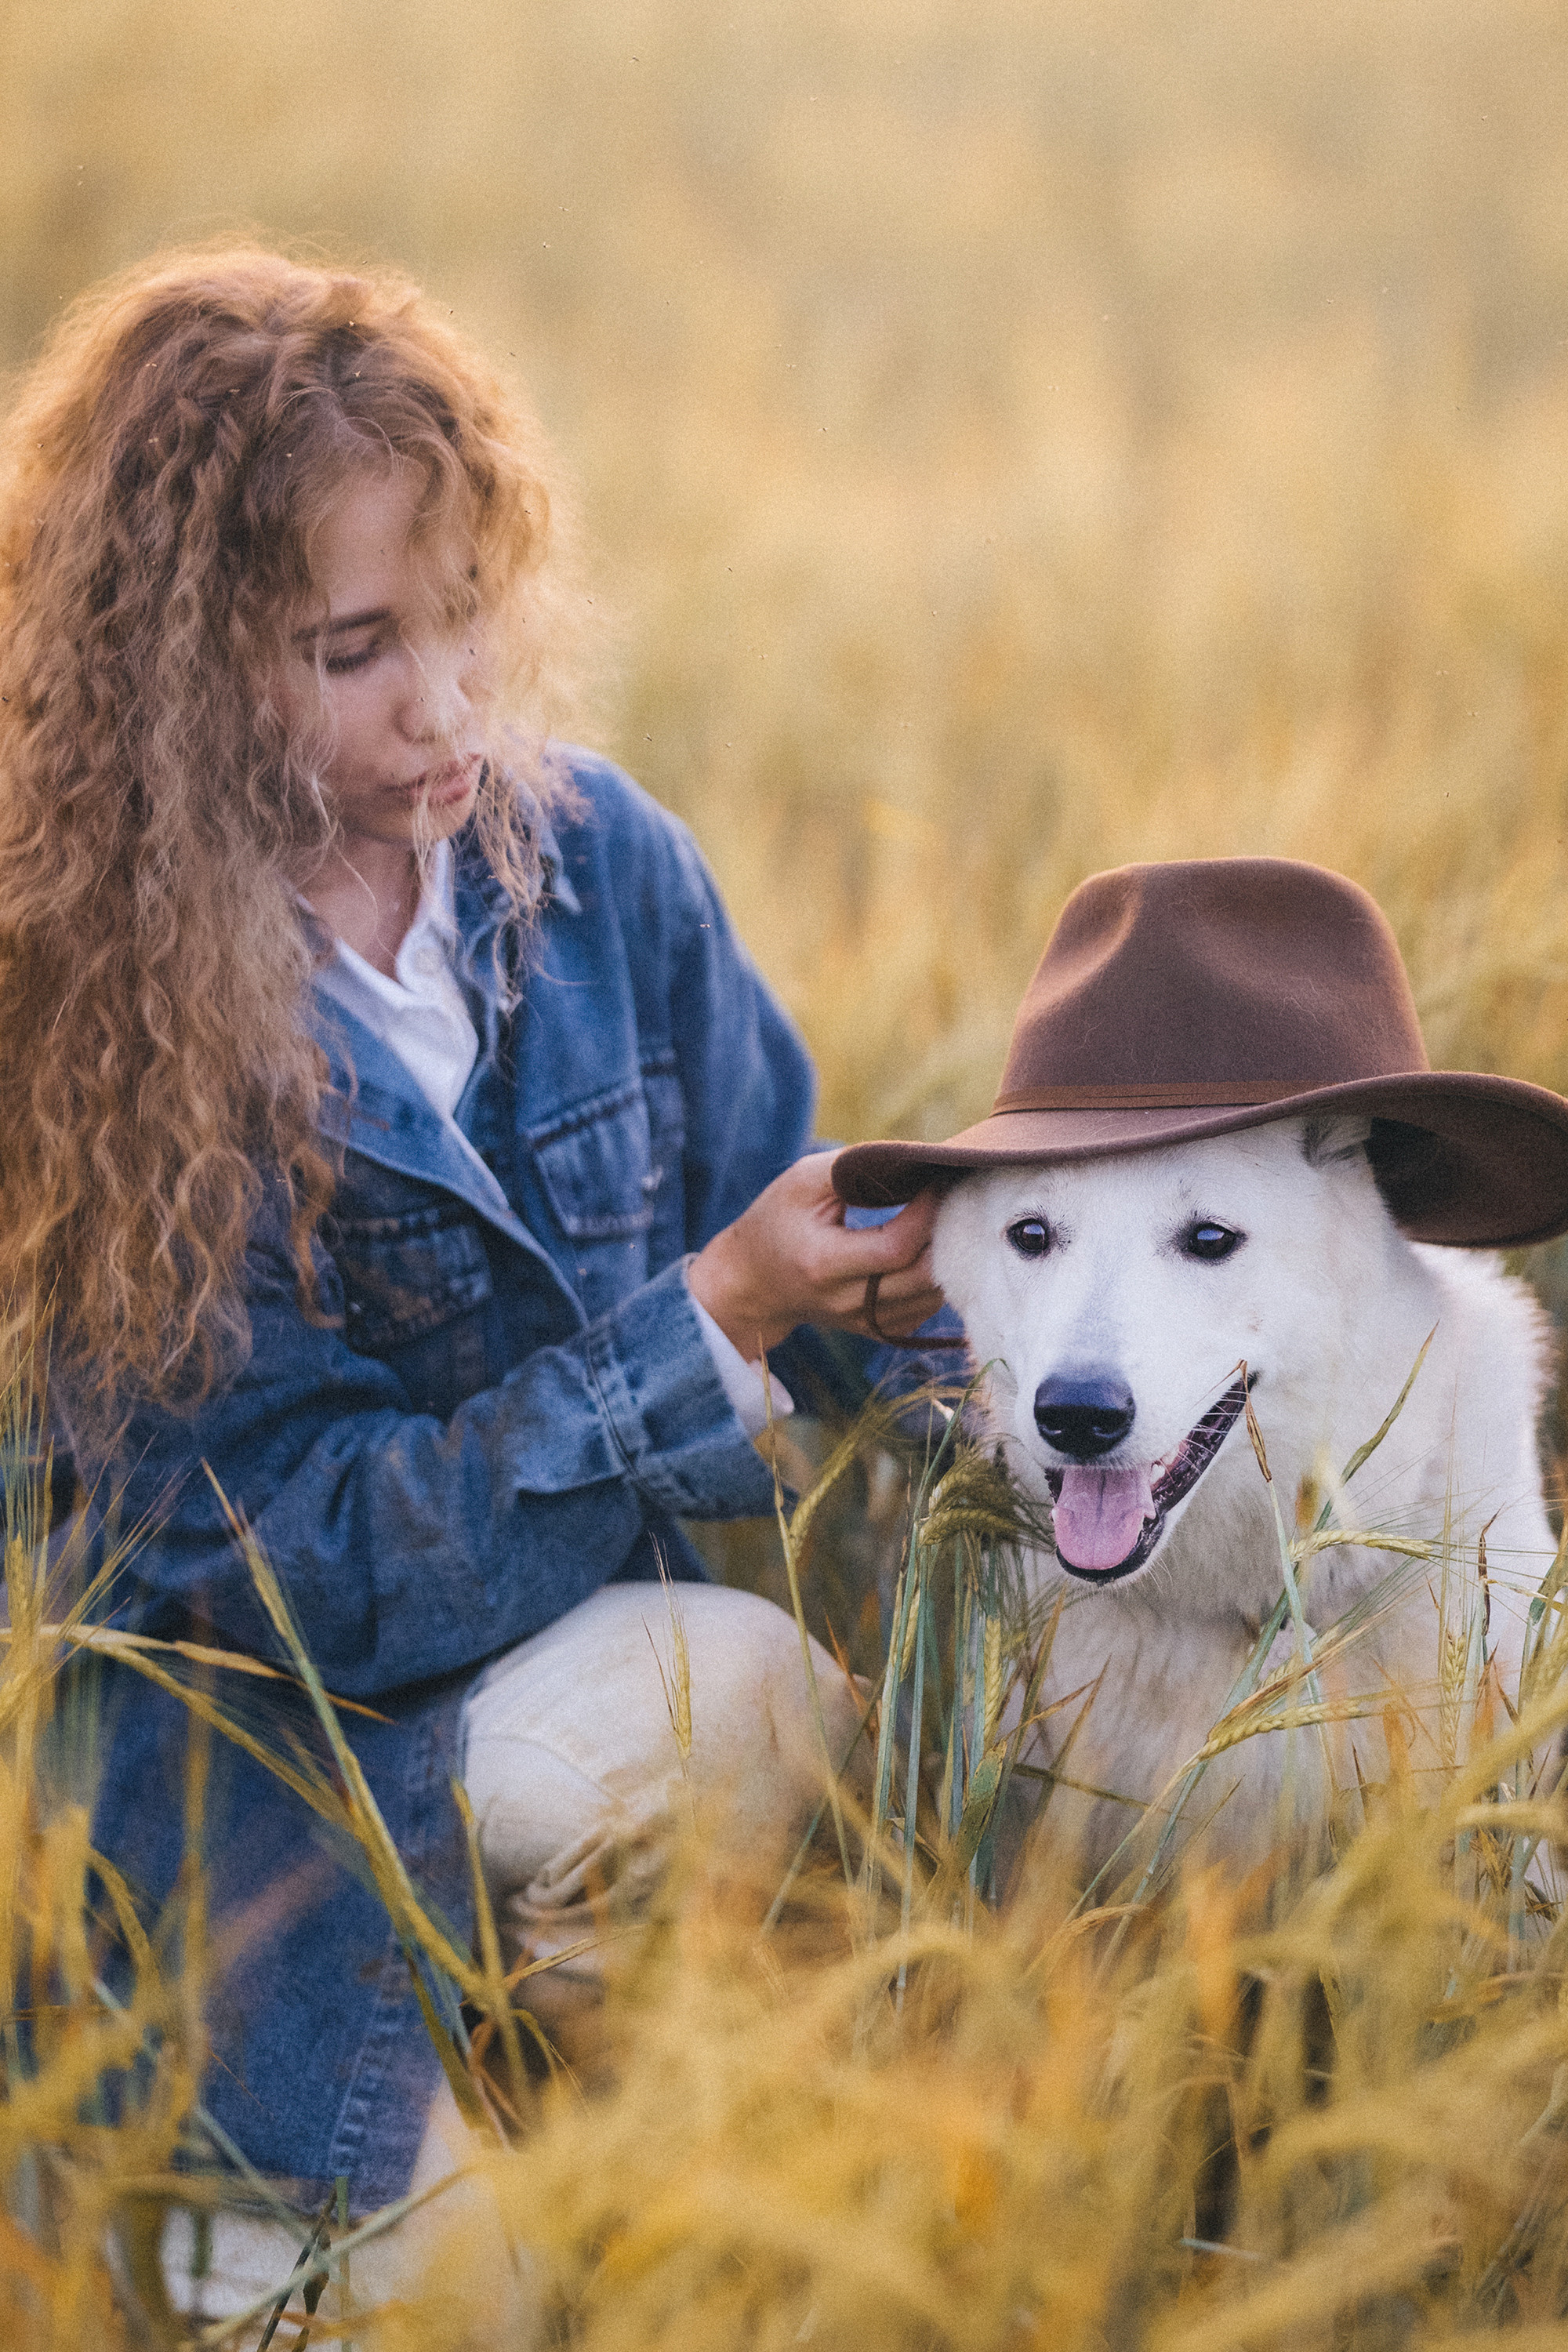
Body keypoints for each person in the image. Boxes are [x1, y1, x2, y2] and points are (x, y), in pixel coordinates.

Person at [0, 247, 944, 2303]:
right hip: (269, 1805)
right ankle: (269, 2204)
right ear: (181, 674)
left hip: (580, 1724)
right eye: (351, 648)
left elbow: (827, 1221)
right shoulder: (102, 1015)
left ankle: (601, 2092)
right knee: (474, 2304)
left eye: (465, 610)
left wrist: (1068, 1404)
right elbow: (301, 1570)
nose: (444, 698)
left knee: (741, 1734)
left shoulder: (600, 868)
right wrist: (707, 1330)